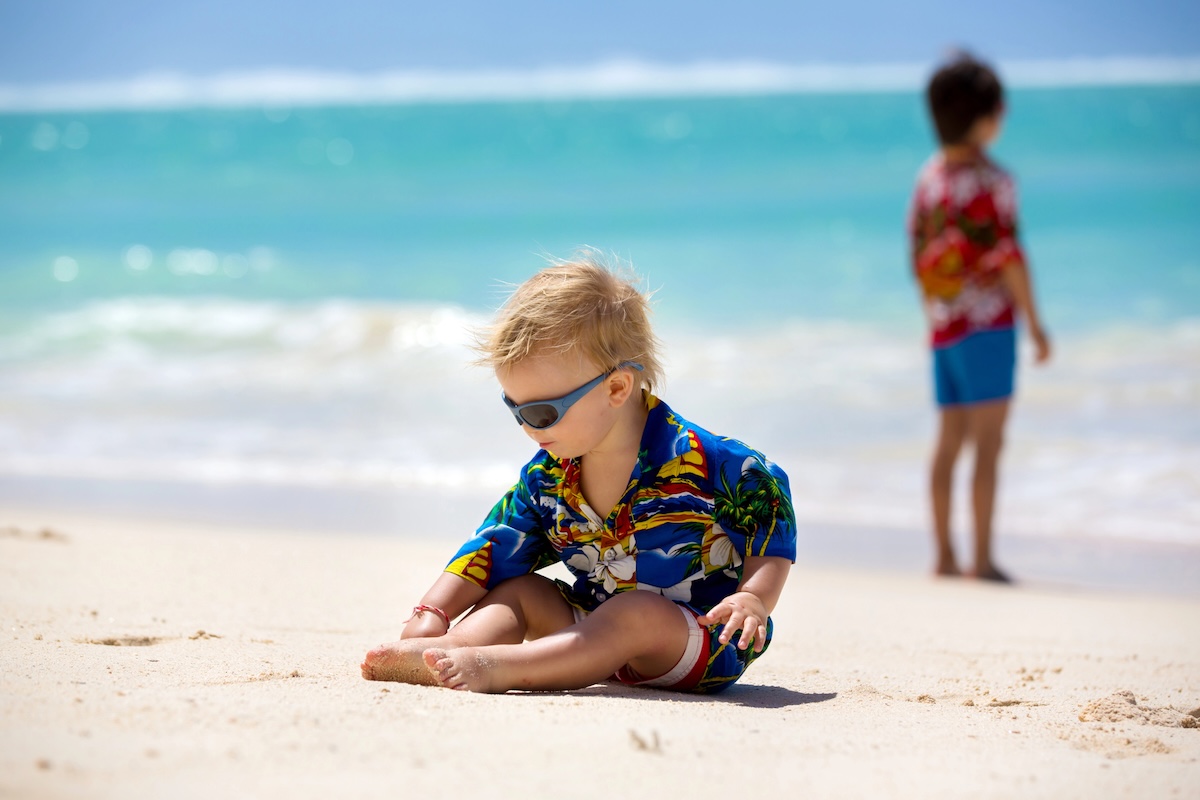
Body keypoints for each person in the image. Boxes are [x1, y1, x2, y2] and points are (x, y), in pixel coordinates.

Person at [361, 254, 796, 693]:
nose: (530, 428)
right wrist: (431, 612)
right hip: (588, 626)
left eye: (543, 412)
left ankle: (503, 666)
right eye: (515, 409)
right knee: (522, 592)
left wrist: (753, 599)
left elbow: (770, 524)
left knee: (635, 613)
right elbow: (494, 544)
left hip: (696, 640)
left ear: (616, 388)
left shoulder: (715, 463)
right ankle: (451, 647)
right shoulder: (550, 477)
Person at [908, 53, 1051, 582]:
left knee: (948, 443)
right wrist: (1035, 324)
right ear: (986, 117)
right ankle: (982, 559)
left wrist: (936, 313)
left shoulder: (928, 179)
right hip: (989, 329)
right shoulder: (994, 180)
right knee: (988, 446)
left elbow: (917, 255)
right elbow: (1010, 256)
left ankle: (944, 555)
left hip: (944, 329)